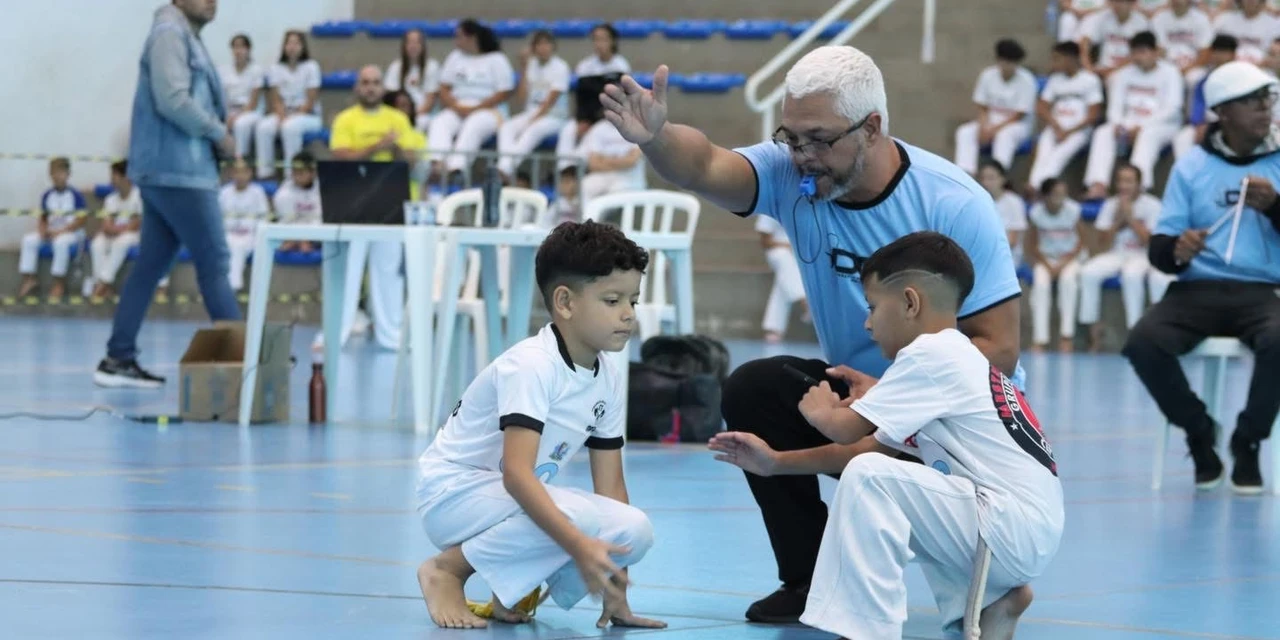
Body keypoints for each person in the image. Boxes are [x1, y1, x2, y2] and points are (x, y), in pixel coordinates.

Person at [601, 45, 1025, 623]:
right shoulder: (791, 173)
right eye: (790, 137)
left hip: (953, 417)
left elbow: (998, 347)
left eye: (819, 140)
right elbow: (704, 165)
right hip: (859, 394)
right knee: (756, 387)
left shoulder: (954, 204)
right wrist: (656, 137)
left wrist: (894, 396)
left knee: (973, 592)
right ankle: (807, 580)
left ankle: (985, 574)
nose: (802, 156)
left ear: (872, 128)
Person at [789, 231, 1062, 640]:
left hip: (1007, 525)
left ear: (910, 303)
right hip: (1023, 527)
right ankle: (994, 602)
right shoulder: (960, 356)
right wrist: (776, 462)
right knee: (918, 492)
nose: (867, 322)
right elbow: (871, 440)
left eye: (873, 306)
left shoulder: (929, 354)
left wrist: (818, 409)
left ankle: (866, 631)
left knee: (871, 478)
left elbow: (847, 433)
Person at [414, 221, 664, 631]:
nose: (627, 314)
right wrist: (578, 545)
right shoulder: (531, 365)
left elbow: (613, 493)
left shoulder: (608, 375)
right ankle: (448, 571)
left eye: (633, 301)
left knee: (634, 528)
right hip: (452, 493)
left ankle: (511, 590)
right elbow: (516, 474)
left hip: (502, 499)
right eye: (613, 299)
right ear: (564, 302)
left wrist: (615, 584)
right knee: (577, 521)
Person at [1123, 60, 1280, 494]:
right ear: (1223, 113)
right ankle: (1199, 431)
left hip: (1264, 291)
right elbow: (1161, 249)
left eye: (1267, 100)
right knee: (1142, 342)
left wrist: (1276, 208)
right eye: (1252, 102)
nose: (1265, 109)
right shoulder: (1191, 166)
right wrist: (1177, 250)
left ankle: (1248, 440)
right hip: (1196, 290)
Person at [95, 0, 239, 389]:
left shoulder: (185, 36)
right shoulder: (169, 34)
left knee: (150, 265)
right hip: (178, 171)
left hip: (174, 169)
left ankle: (118, 357)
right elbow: (172, 98)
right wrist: (217, 132)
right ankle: (249, 359)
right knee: (215, 262)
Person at [320, 64, 425, 351]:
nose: (370, 87)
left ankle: (391, 336)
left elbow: (413, 160)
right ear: (357, 87)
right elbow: (341, 156)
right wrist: (379, 145)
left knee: (387, 272)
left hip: (389, 201)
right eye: (365, 82)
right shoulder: (345, 119)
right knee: (346, 270)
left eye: (376, 82)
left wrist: (395, 149)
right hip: (350, 201)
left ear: (382, 88)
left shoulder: (398, 119)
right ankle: (335, 333)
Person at [1077, 164, 1174, 350]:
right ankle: (1093, 335)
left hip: (1143, 255)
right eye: (1120, 181)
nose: (1124, 186)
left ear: (1139, 184)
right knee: (1088, 272)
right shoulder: (1110, 204)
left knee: (1132, 275)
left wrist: (1131, 218)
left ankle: (1134, 333)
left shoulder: (1152, 205)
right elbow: (1101, 244)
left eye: (1129, 181)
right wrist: (1117, 221)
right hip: (1117, 254)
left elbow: (1151, 242)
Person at [1082, 31, 1185, 198]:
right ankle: (1098, 184)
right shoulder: (1122, 74)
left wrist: (1141, 126)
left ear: (1155, 52)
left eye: (1143, 52)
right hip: (1128, 124)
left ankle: (1139, 187)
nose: (1138, 57)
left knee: (1147, 135)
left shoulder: (1171, 73)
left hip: (1163, 125)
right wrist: (1118, 125)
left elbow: (1173, 109)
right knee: (1103, 132)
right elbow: (1114, 108)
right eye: (1135, 52)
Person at [953, 39, 1038, 177]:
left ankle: (997, 175)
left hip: (1017, 125)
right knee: (965, 132)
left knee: (1005, 135)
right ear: (999, 60)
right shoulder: (988, 75)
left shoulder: (1027, 80)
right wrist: (983, 126)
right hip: (990, 121)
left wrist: (992, 130)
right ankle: (966, 174)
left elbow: (1019, 115)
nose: (1010, 66)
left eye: (1013, 62)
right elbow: (982, 106)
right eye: (1007, 61)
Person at [18, 156, 87, 300]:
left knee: (60, 243)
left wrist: (61, 231)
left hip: (70, 232)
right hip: (51, 231)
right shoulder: (47, 195)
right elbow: (43, 218)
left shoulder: (75, 195)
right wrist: (43, 231)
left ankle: (58, 283)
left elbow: (81, 220)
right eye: (53, 173)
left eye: (60, 173)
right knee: (29, 240)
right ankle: (29, 279)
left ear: (68, 174)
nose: (57, 176)